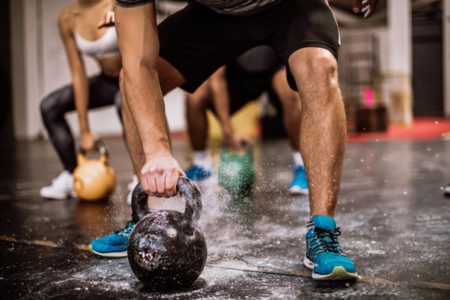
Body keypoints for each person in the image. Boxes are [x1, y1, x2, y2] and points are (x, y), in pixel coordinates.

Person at [90, 0, 379, 281]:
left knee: (320, 67)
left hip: (286, 6)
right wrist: (157, 152)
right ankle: (150, 218)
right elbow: (139, 64)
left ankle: (322, 232)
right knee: (132, 78)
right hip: (214, 14)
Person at [39, 0, 138, 201]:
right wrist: (84, 130)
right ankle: (72, 174)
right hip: (106, 81)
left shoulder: (115, 4)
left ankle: (141, 177)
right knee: (50, 106)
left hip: (135, 77)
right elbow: (78, 75)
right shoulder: (67, 18)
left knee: (123, 103)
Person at [185, 45, 308, 195]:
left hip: (273, 69)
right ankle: (200, 164)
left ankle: (302, 166)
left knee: (291, 92)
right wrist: (228, 132)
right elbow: (217, 79)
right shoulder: (226, 26)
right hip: (238, 74)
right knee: (195, 95)